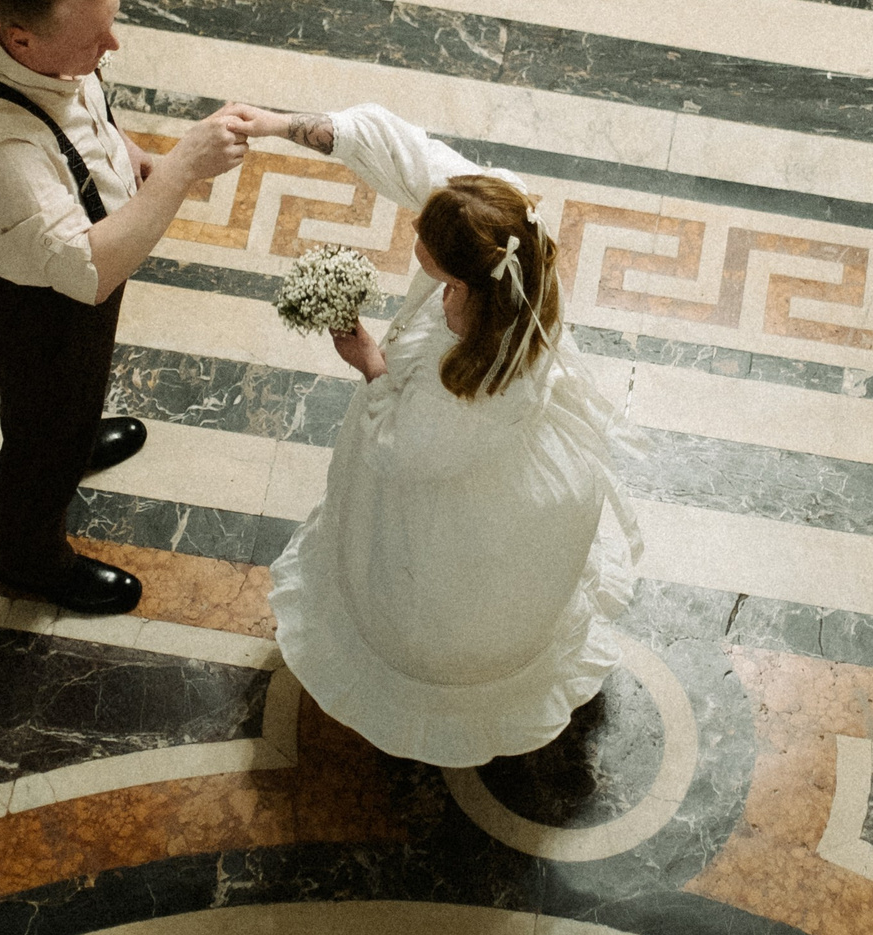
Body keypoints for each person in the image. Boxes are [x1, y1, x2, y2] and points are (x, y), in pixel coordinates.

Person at [221, 100, 639, 766]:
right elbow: (407, 152)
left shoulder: (465, 380)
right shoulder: (504, 235)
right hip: (476, 449)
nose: (416, 234)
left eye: (429, 256)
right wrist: (281, 125)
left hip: (454, 497)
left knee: (439, 598)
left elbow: (402, 451)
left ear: (464, 281)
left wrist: (371, 363)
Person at [0, 0, 248, 615]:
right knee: (41, 428)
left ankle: (71, 440)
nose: (112, 49)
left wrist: (124, 150)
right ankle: (32, 556)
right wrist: (183, 167)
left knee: (67, 408)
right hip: (40, 304)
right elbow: (89, 274)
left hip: (65, 262)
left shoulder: (20, 35)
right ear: (20, 40)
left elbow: (78, 111)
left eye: (110, 25)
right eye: (94, 40)